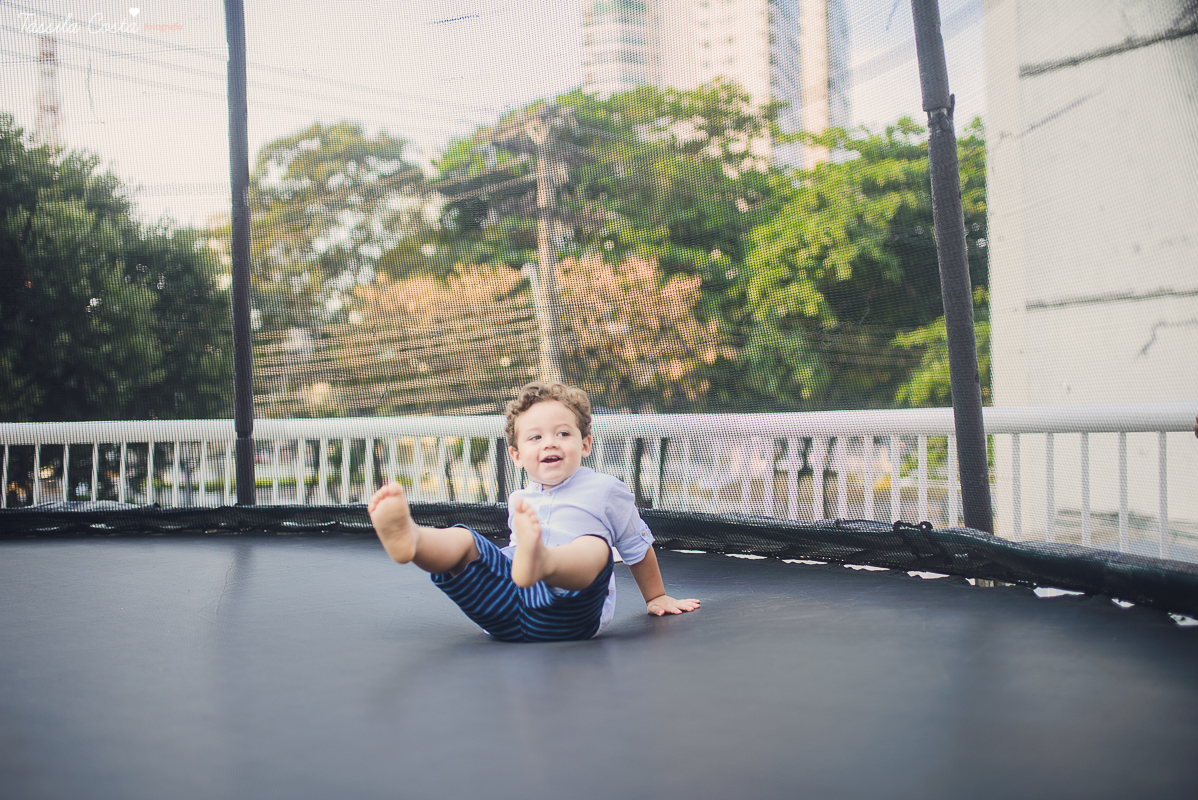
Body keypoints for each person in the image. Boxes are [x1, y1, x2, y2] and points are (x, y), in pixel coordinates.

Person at [367, 381, 700, 642]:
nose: (550, 443)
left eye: (563, 433)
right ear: (517, 455)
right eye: (536, 437)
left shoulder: (605, 489)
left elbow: (636, 546)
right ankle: (414, 540)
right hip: (506, 612)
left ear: (584, 445)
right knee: (465, 541)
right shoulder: (519, 499)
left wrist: (655, 596)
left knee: (597, 549)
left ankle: (543, 561)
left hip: (571, 614)